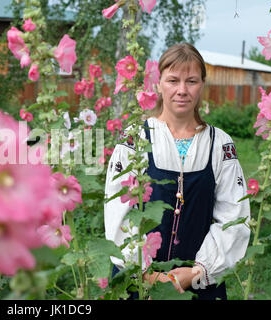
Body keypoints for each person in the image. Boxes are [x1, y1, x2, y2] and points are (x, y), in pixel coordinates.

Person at [104, 43, 251, 300]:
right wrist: (143, 271)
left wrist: (197, 271)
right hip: (138, 283)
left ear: (202, 85)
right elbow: (118, 209)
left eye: (191, 81)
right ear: (158, 84)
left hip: (199, 283)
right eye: (173, 80)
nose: (182, 90)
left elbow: (233, 216)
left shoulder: (220, 144)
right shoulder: (135, 139)